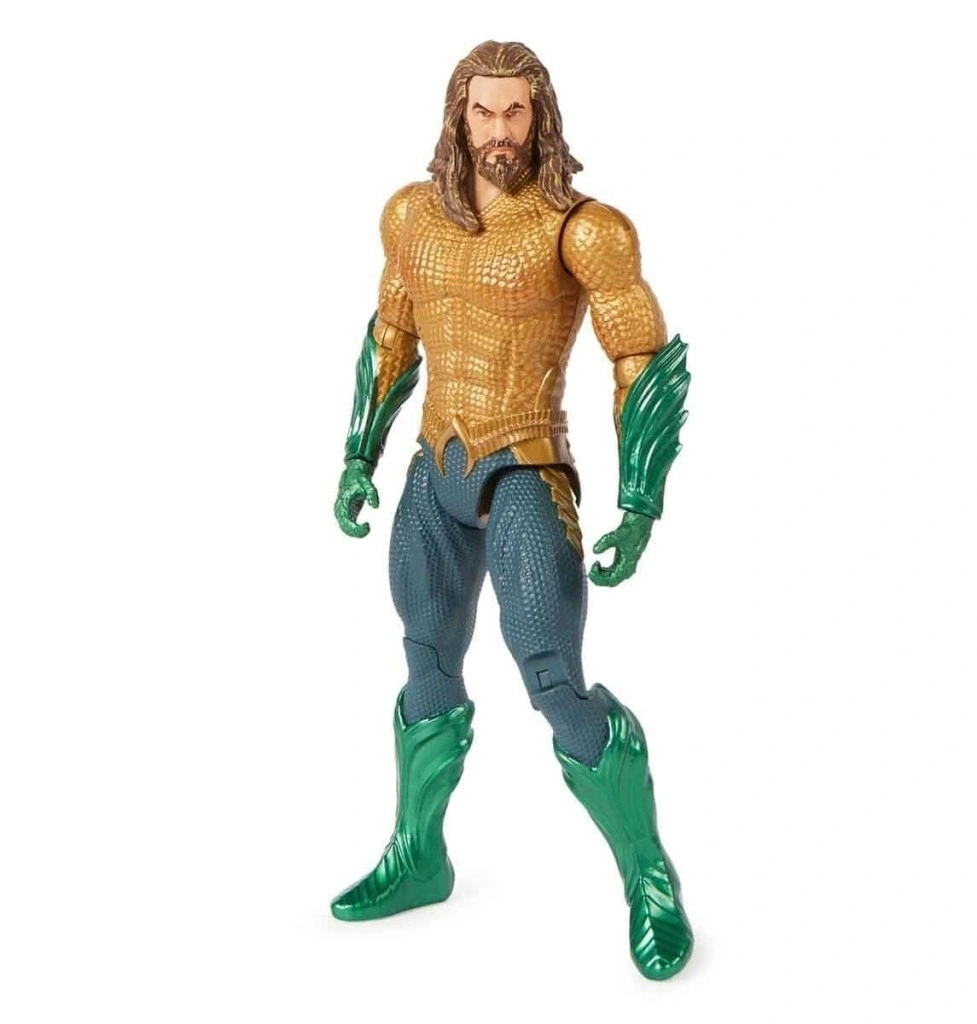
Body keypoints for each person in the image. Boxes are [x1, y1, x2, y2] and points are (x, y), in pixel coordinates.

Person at [330, 40, 693, 981]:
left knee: (554, 680)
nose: (500, 130)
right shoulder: (411, 216)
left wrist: (640, 501)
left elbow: (640, 358)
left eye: (516, 112)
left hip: (526, 468)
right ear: (459, 114)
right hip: (434, 471)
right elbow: (391, 334)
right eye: (484, 111)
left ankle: (648, 874)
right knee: (425, 660)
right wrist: (358, 454)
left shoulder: (583, 230)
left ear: (541, 117)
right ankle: (420, 855)